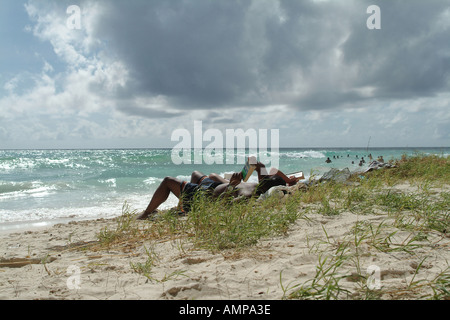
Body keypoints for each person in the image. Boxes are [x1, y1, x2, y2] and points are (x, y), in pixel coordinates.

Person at [136, 162, 303, 220]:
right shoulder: (259, 187)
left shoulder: (250, 195)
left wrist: (231, 186)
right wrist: (288, 181)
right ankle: (183, 207)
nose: (261, 177)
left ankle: (146, 214)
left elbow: (224, 206)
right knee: (196, 174)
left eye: (264, 178)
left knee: (167, 181)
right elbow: (258, 164)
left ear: (265, 184)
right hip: (212, 186)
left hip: (203, 196)